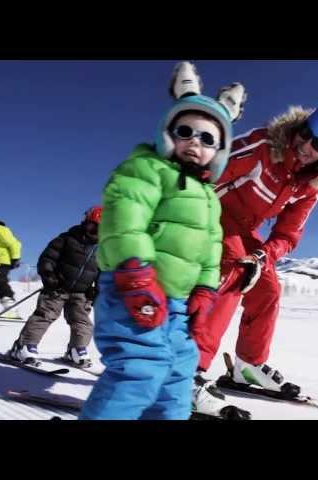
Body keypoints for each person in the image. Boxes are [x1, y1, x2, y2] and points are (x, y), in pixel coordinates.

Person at [79, 62, 248, 420]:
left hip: (176, 306)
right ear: (168, 134)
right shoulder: (146, 168)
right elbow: (125, 217)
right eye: (185, 131)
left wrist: (204, 289)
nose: (194, 143)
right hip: (132, 290)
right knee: (140, 370)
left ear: (219, 151)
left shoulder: (209, 198)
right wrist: (135, 271)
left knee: (177, 378)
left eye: (207, 138)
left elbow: (211, 250)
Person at [191, 100, 318, 412]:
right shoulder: (263, 146)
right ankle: (186, 372)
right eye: (306, 133)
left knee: (267, 288)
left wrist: (264, 256)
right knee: (235, 270)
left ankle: (248, 365)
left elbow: (288, 234)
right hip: (210, 211)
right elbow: (207, 171)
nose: (306, 145)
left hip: (244, 231)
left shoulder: (309, 187)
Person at [6, 207, 102, 366]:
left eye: (100, 228)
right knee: (45, 315)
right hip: (58, 287)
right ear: (86, 221)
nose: (94, 231)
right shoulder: (68, 238)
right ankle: (25, 347)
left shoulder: (103, 248)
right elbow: (47, 258)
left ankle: (77, 350)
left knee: (82, 322)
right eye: (92, 225)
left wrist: (97, 289)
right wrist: (49, 275)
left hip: (82, 293)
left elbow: (103, 271)